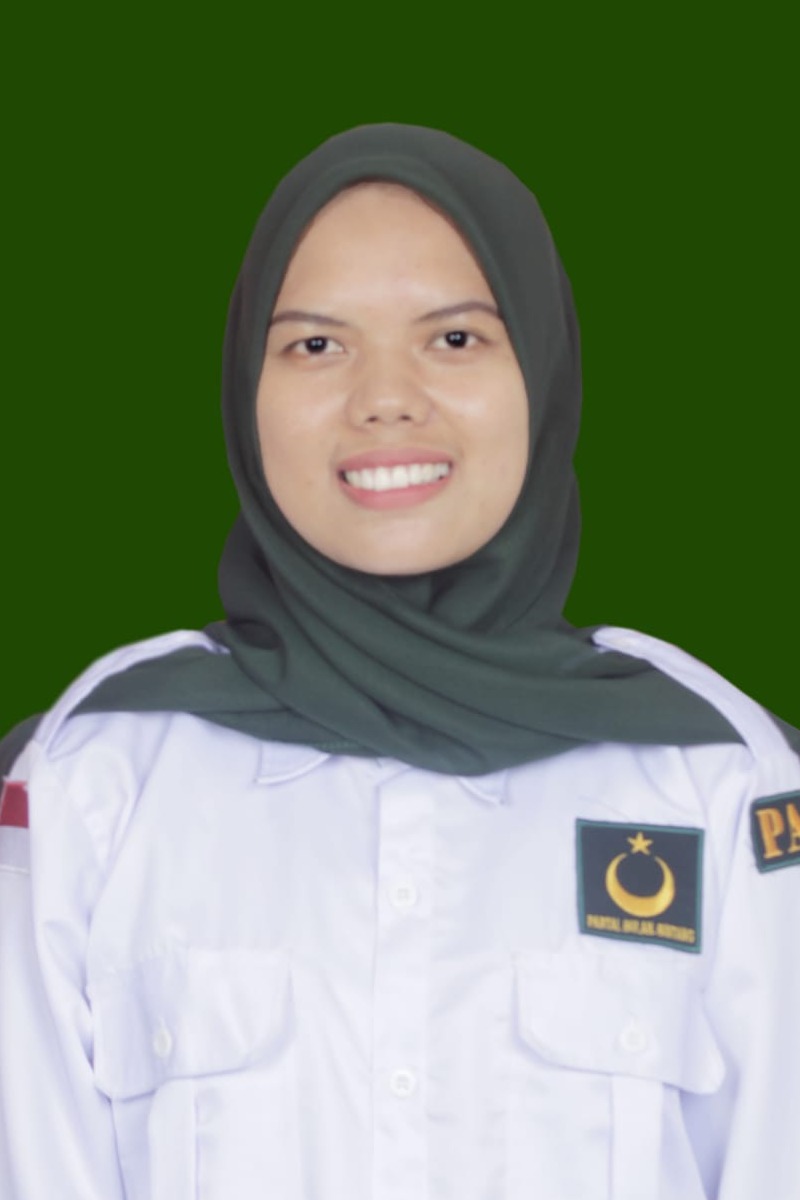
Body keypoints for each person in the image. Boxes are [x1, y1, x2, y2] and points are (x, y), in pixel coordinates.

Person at [1, 123, 799, 1200]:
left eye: (455, 338)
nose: (385, 397)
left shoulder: (721, 781)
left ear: (543, 373)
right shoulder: (97, 779)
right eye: (315, 346)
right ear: (244, 392)